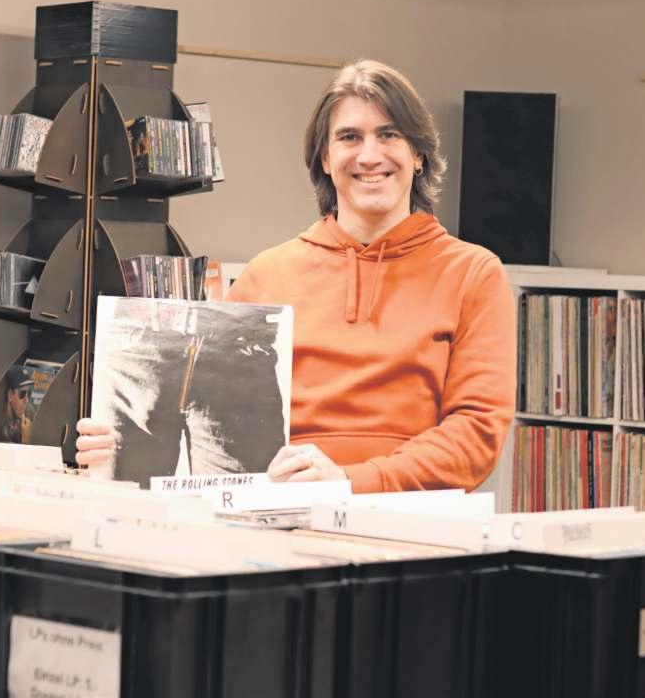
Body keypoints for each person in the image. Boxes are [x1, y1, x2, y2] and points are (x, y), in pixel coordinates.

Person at [77, 59, 516, 493]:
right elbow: (206, 426)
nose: (369, 155)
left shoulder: (473, 275)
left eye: (389, 135)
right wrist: (118, 450)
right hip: (276, 511)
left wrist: (349, 481)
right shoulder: (266, 276)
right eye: (349, 137)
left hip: (407, 521)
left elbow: (476, 435)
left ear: (418, 154)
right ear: (325, 158)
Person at [2, 366, 33, 444]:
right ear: (10, 395)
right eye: (22, 393)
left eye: (29, 393)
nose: (26, 400)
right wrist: (26, 440)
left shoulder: (30, 413)